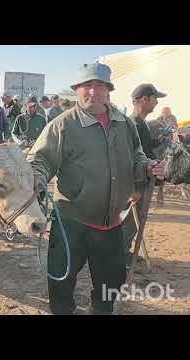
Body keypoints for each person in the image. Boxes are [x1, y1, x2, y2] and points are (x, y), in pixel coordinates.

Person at [27, 62, 166, 315]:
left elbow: (136, 156)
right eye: (87, 86)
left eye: (99, 86)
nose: (93, 92)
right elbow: (41, 160)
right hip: (72, 220)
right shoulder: (63, 125)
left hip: (112, 220)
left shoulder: (124, 123)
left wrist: (147, 167)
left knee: (111, 281)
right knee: (61, 280)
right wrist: (36, 178)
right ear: (77, 90)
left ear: (108, 90)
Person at [125, 84, 168, 260]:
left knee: (134, 223)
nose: (157, 102)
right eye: (155, 98)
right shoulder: (133, 123)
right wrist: (134, 187)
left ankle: (125, 253)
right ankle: (121, 257)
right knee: (129, 223)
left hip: (144, 180)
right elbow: (129, 157)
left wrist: (160, 141)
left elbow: (144, 149)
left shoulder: (141, 123)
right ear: (145, 99)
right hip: (138, 183)